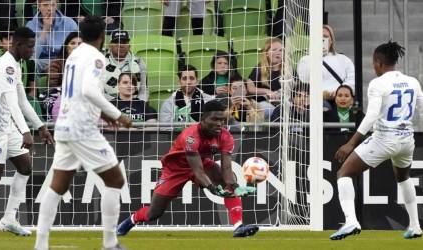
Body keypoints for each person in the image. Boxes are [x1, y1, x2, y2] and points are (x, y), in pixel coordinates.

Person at [34, 15, 131, 250]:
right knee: (116, 179)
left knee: (57, 186)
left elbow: (78, 91)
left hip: (64, 125)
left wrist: (102, 112)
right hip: (82, 128)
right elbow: (88, 90)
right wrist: (117, 114)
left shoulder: (74, 55)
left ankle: (41, 245)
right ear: (103, 37)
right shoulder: (96, 57)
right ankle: (110, 243)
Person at [117, 100, 259, 237]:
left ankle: (238, 226)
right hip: (176, 169)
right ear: (202, 119)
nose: (219, 124)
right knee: (153, 213)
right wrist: (212, 188)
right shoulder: (190, 136)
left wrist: (234, 185)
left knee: (227, 180)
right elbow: (198, 171)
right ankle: (131, 220)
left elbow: (226, 168)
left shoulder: (225, 136)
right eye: (215, 119)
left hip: (202, 162)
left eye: (222, 120)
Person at [330, 41, 422, 240]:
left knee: (344, 172)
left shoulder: (378, 83)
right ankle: (415, 225)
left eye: (374, 63)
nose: (373, 66)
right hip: (406, 139)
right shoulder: (413, 82)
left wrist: (351, 143)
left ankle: (351, 221)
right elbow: (421, 111)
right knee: (403, 178)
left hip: (384, 138)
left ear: (378, 62)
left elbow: (371, 116)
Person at [0, 27, 54, 238]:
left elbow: (23, 100)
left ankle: (9, 219)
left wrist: (41, 127)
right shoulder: (5, 68)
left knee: (25, 166)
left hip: (8, 126)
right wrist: (25, 131)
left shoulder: (16, 65)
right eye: (29, 46)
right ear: (17, 44)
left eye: (33, 46)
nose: (32, 50)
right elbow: (12, 103)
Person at [297, 25, 355, 108]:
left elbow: (352, 79)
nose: (322, 39)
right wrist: (315, 57)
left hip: (340, 99)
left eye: (325, 37)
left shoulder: (344, 59)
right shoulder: (305, 60)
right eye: (319, 37)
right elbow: (304, 80)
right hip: (316, 101)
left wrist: (340, 92)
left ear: (331, 40)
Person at [38, 31, 82, 121]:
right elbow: (52, 87)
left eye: (80, 44)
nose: (76, 46)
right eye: (73, 43)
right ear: (66, 47)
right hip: (58, 95)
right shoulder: (56, 64)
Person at [26, 0, 78, 73]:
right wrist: (45, 30)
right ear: (39, 6)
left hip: (64, 61)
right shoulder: (30, 25)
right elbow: (31, 56)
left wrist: (57, 64)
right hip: (41, 63)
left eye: (53, 5)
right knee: (31, 65)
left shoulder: (69, 23)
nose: (49, 8)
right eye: (45, 5)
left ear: (56, 5)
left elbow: (78, 49)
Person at [246, 37, 285, 120]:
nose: (278, 53)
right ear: (267, 53)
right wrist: (267, 91)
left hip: (283, 103)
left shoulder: (288, 69)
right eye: (274, 50)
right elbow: (250, 88)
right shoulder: (259, 69)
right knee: (268, 108)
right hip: (265, 103)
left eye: (281, 50)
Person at [104, 30, 148, 101]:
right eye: (117, 42)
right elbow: (97, 91)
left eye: (124, 42)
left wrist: (140, 104)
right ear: (110, 46)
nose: (121, 45)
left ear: (129, 45)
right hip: (108, 105)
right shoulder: (101, 63)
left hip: (134, 104)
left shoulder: (139, 62)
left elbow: (144, 90)